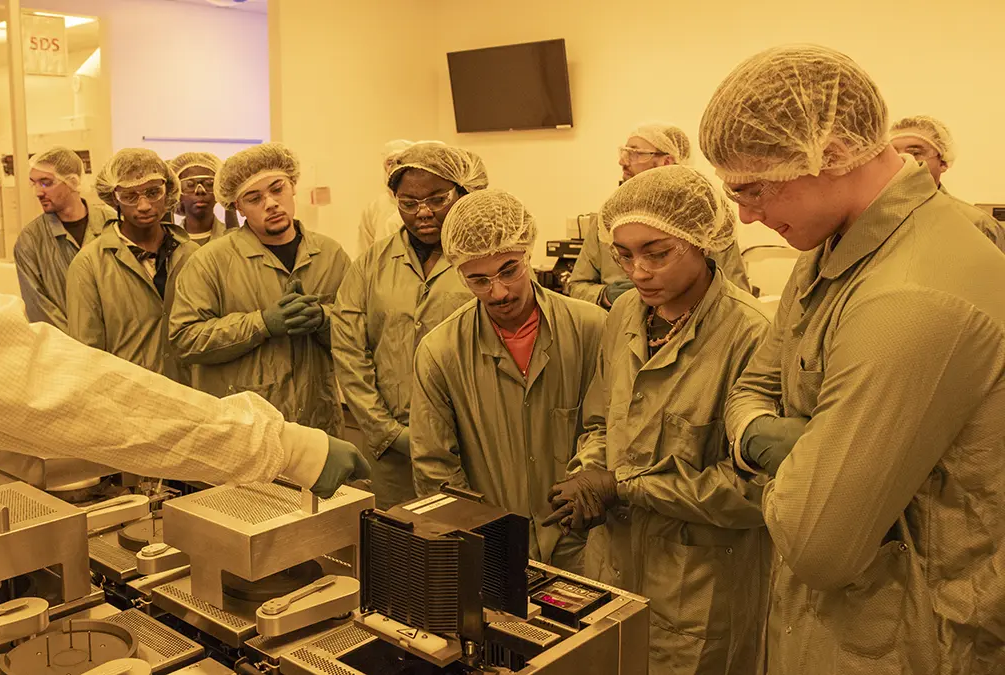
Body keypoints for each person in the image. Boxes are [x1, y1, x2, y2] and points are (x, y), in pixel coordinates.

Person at [0, 0, 369, 589]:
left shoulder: (291, 252)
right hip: (151, 422)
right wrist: (276, 441)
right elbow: (32, 371)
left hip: (177, 416)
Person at [699, 44, 1005, 673]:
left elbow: (819, 543)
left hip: (908, 638)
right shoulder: (833, 246)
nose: (745, 215)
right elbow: (751, 385)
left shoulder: (913, 295)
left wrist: (802, 454)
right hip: (836, 625)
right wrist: (769, 440)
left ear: (832, 151)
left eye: (754, 188)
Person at [545, 165, 770, 675]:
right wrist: (587, 477)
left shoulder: (751, 337)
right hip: (615, 562)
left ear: (702, 241)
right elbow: (601, 420)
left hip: (700, 586)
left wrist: (622, 487)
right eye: (623, 255)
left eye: (657, 253)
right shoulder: (625, 313)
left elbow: (754, 492)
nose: (637, 272)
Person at [411, 189, 605, 571]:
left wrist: (585, 485)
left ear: (527, 253)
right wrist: (477, 538)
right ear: (459, 273)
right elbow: (435, 467)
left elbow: (610, 426)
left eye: (509, 270)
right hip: (493, 546)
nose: (498, 292)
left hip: (586, 539)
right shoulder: (440, 351)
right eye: (478, 280)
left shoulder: (591, 329)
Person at [332, 143, 487, 508]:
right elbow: (349, 351)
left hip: (469, 439)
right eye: (408, 202)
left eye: (437, 199)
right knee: (400, 544)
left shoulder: (482, 259)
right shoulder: (372, 263)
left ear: (462, 191)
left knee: (466, 540)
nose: (424, 213)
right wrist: (386, 431)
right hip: (391, 449)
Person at [170, 143, 351, 437]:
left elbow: (360, 333)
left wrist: (324, 320)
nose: (271, 203)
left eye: (277, 189)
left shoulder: (330, 255)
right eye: (254, 198)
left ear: (292, 186)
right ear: (237, 206)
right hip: (246, 429)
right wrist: (261, 323)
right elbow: (185, 339)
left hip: (319, 423)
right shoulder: (210, 262)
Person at [566, 123, 752, 306]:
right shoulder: (608, 221)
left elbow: (738, 298)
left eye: (635, 153)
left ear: (667, 161)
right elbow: (575, 287)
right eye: (624, 255)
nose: (623, 161)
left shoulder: (703, 218)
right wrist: (605, 295)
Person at [65, 149, 198, 383]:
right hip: (130, 401)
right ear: (114, 198)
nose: (144, 205)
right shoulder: (90, 266)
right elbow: (87, 353)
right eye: (130, 196)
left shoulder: (191, 255)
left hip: (192, 395)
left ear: (167, 191)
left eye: (153, 192)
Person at [14, 146, 113, 331]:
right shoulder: (31, 241)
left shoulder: (112, 225)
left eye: (46, 182)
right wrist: (82, 346)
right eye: (33, 183)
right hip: (68, 352)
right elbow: (40, 310)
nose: (37, 192)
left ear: (72, 182)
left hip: (119, 351)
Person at [889, 115, 1005, 252]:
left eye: (915, 153)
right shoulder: (872, 222)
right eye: (893, 154)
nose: (903, 160)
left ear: (943, 162)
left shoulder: (977, 225)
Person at [167, 151, 239, 245]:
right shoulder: (167, 242)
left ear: (219, 191)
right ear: (177, 192)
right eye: (190, 185)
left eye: (209, 184)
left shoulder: (235, 238)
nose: (200, 191)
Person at [356, 139, 413, 253]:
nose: (394, 167)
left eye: (400, 161)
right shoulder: (374, 208)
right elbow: (363, 253)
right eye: (390, 162)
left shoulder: (423, 206)